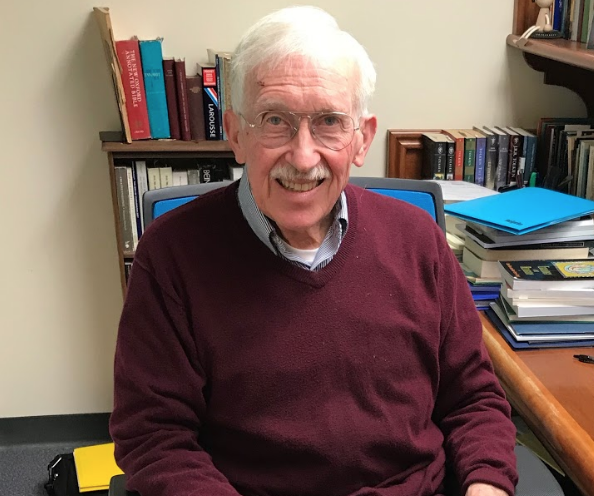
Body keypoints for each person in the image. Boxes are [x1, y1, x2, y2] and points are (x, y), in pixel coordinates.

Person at [110, 6, 518, 496]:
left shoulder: (418, 239)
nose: (303, 157)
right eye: (275, 120)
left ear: (361, 138)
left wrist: (487, 486)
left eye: (328, 122)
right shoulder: (172, 254)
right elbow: (154, 437)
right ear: (237, 133)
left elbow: (473, 399)